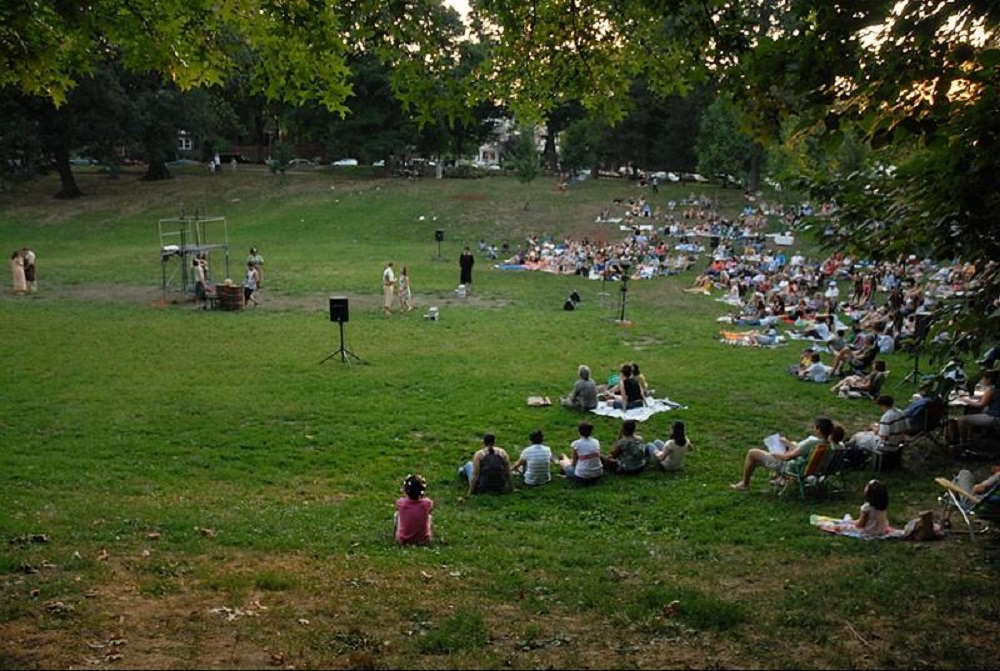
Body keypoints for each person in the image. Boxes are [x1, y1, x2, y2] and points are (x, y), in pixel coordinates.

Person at [730, 417, 835, 491]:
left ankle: (745, 484)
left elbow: (787, 457)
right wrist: (788, 444)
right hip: (807, 468)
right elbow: (801, 451)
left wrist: (774, 453)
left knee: (752, 453)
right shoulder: (827, 444)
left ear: (818, 429)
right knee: (789, 445)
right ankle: (780, 480)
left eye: (815, 427)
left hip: (791, 467)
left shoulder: (812, 442)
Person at [848, 395, 909, 470]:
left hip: (885, 446)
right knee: (869, 431)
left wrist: (875, 429)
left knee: (857, 436)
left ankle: (847, 450)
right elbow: (906, 428)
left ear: (882, 405)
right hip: (897, 443)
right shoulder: (901, 412)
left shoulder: (887, 416)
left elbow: (884, 436)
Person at [815, 479, 892, 538]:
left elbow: (861, 525)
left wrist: (852, 523)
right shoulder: (882, 506)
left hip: (868, 532)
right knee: (849, 522)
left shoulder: (866, 508)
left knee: (842, 527)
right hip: (881, 530)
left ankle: (827, 526)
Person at [951, 369, 1000, 445]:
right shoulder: (996, 387)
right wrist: (972, 397)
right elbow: (986, 397)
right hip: (995, 414)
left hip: (994, 416)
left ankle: (963, 443)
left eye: (983, 378)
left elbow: (981, 404)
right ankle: (971, 439)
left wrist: (966, 400)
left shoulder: (990, 389)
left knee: (961, 419)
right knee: (971, 412)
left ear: (988, 379)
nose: (982, 380)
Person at [558, 421, 603, 485]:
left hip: (582, 477)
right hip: (598, 474)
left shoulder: (577, 444)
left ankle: (567, 473)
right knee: (567, 459)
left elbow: (574, 463)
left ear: (579, 432)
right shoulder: (596, 442)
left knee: (562, 461)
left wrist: (570, 462)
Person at [394, 474, 433, 545]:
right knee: (429, 516)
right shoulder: (427, 503)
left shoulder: (401, 503)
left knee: (397, 515)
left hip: (403, 540)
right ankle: (423, 533)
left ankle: (398, 533)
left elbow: (398, 507)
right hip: (424, 540)